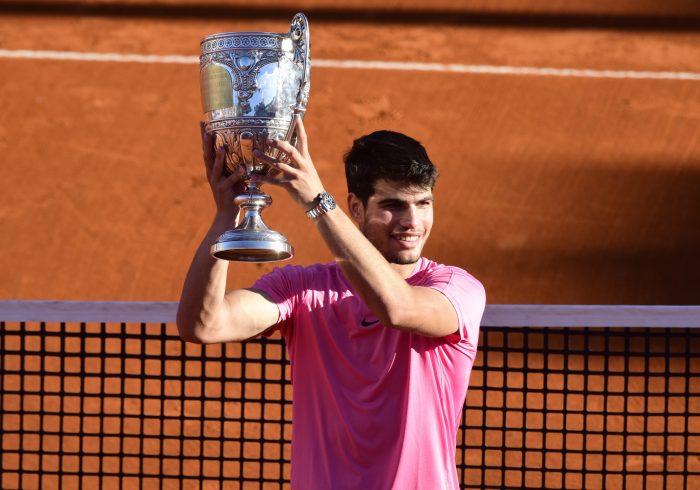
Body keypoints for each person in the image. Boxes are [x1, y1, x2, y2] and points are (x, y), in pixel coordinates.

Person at [177, 117, 486, 489]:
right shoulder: (305, 290)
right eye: (393, 205)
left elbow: (397, 308)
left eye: (423, 203)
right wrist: (228, 217)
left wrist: (317, 202)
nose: (412, 221)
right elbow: (202, 325)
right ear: (355, 208)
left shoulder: (457, 289)